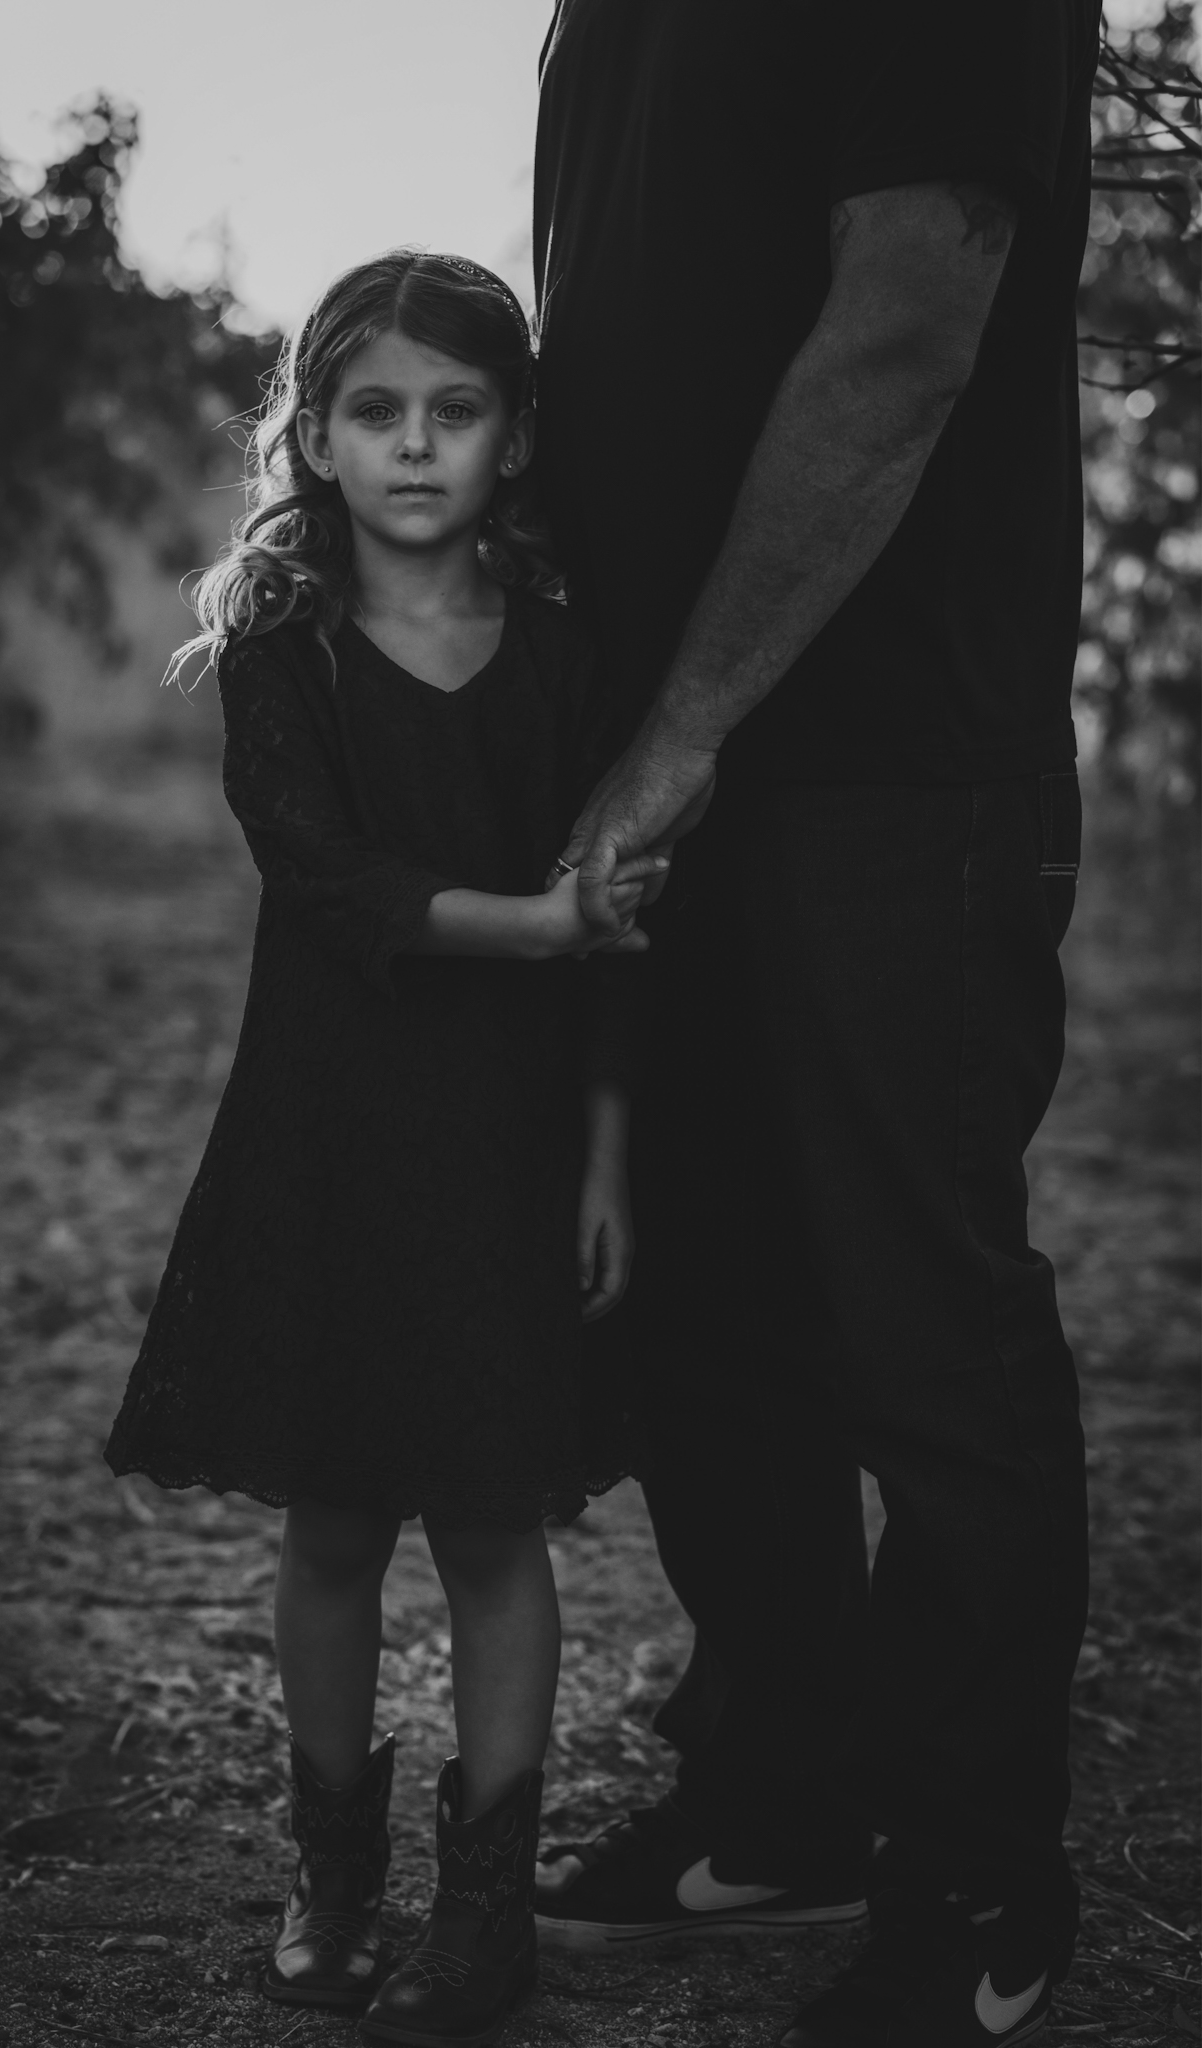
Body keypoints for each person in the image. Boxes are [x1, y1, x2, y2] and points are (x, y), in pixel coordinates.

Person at [528, 3, 1099, 2043]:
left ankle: (971, 1884)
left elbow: (905, 328)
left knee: (917, 1324)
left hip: (886, 768)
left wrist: (686, 728)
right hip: (643, 765)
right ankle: (781, 1799)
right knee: (697, 1300)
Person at [104, 250, 660, 2047]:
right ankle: (334, 1873)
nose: (417, 445)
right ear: (318, 438)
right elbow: (326, 882)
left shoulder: (572, 653)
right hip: (331, 1138)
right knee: (336, 1524)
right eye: (376, 411)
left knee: (501, 1532)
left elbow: (619, 957)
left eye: (457, 409)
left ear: (511, 436)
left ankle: (483, 1915)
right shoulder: (285, 652)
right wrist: (540, 924)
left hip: (508, 1151)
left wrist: (599, 1155)